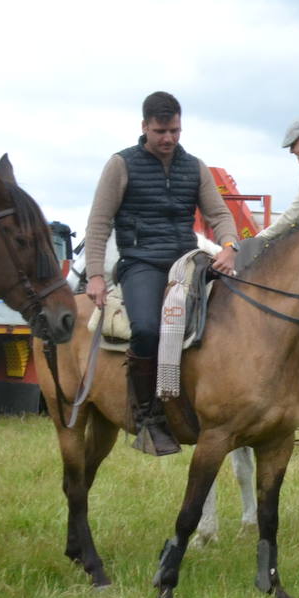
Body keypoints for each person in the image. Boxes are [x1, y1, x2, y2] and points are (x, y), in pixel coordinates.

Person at [84, 92, 239, 456]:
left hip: (187, 260)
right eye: (160, 131)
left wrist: (229, 247)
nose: (168, 138)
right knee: (148, 329)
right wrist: (94, 275)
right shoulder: (121, 165)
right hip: (141, 262)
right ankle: (147, 415)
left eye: (175, 130)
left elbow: (218, 215)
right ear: (144, 127)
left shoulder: (195, 166)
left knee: (234, 312)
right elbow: (99, 223)